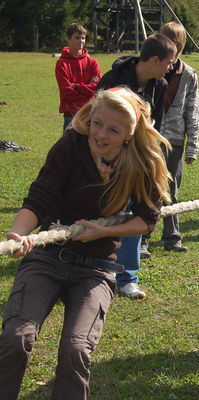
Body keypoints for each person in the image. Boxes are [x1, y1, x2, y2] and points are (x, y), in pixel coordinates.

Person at [0, 88, 170, 400]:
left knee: (76, 349)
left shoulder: (141, 161)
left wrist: (101, 232)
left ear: (129, 137)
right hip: (48, 257)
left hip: (97, 268)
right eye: (97, 123)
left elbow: (148, 219)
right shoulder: (71, 144)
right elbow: (40, 196)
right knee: (16, 337)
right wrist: (19, 233)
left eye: (113, 130)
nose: (101, 134)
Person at [96, 33, 176, 298]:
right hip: (109, 159)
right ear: (154, 59)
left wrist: (151, 158)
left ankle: (127, 276)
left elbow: (157, 126)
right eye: (169, 61)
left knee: (136, 212)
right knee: (106, 210)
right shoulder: (112, 81)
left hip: (139, 160)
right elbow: (97, 124)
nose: (171, 67)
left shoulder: (160, 85)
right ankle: (97, 268)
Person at [158, 22, 199, 252]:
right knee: (146, 188)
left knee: (172, 189)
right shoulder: (153, 67)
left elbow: (192, 111)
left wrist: (193, 146)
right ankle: (141, 239)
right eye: (167, 40)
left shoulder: (189, 74)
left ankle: (172, 237)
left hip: (174, 139)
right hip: (150, 138)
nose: (171, 45)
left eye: (176, 42)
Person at [55, 23, 101, 133]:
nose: (81, 41)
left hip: (90, 114)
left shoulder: (92, 63)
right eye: (77, 37)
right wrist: (88, 87)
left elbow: (98, 89)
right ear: (68, 38)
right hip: (71, 116)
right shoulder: (62, 64)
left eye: (83, 38)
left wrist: (76, 86)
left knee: (91, 149)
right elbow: (66, 92)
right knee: (69, 149)